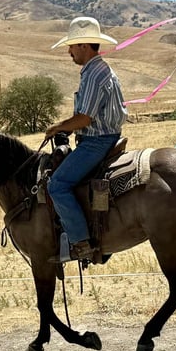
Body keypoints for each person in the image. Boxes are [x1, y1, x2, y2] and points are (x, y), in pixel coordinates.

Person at [45, 16, 128, 263]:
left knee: (57, 185)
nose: (69, 51)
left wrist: (57, 128)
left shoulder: (93, 75)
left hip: (96, 141)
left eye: (71, 46)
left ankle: (81, 243)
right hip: (105, 137)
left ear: (83, 45)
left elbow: (84, 118)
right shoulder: (100, 70)